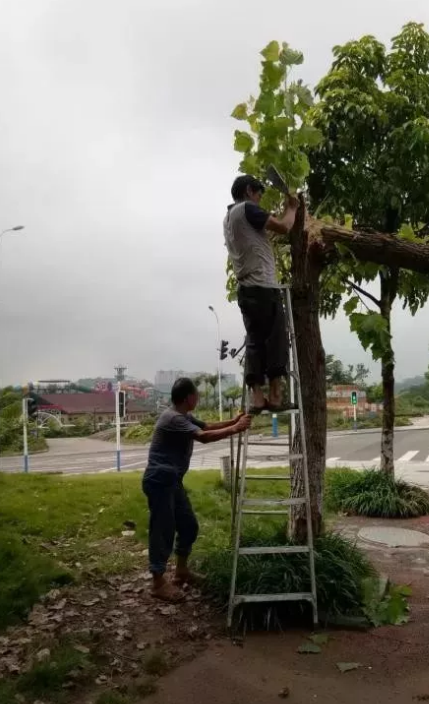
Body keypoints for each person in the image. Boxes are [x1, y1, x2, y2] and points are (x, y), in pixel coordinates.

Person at [142, 377, 251, 602]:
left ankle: (181, 571)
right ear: (189, 397)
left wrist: (234, 421)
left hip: (173, 481)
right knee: (162, 530)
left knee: (189, 525)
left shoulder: (182, 415)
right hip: (160, 480)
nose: (198, 398)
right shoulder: (173, 418)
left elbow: (207, 426)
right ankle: (158, 583)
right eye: (196, 395)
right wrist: (236, 428)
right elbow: (204, 437)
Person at [223, 174, 299, 413]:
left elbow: (264, 233)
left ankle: (257, 398)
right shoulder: (247, 209)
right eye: (258, 193)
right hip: (264, 287)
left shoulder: (229, 217)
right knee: (276, 340)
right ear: (248, 191)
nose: (259, 199)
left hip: (246, 291)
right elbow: (285, 227)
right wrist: (292, 207)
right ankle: (276, 397)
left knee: (255, 342)